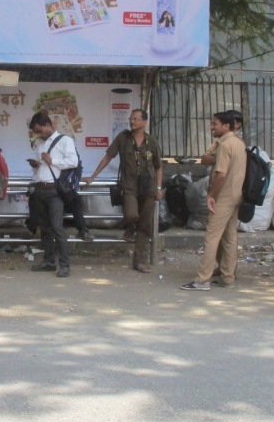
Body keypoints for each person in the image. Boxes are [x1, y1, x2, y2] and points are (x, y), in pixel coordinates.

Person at [84, 109, 163, 273]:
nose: (132, 121)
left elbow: (158, 167)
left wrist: (159, 187)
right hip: (129, 186)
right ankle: (131, 226)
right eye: (131, 118)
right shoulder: (123, 138)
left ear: (145, 122)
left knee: (145, 225)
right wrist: (92, 177)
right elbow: (108, 156)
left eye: (136, 119)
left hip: (148, 188)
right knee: (132, 214)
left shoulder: (152, 141)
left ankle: (140, 261)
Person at [180, 111, 246, 291]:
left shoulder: (225, 145)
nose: (212, 127)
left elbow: (221, 174)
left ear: (226, 126)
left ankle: (202, 280)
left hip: (223, 196)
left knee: (212, 237)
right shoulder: (239, 143)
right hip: (236, 195)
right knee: (230, 237)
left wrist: (211, 195)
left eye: (214, 124)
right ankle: (227, 277)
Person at [27, 112, 79, 278]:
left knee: (57, 228)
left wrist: (52, 161)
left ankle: (64, 265)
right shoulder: (39, 144)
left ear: (48, 125)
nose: (38, 134)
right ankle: (49, 261)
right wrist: (36, 165)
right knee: (45, 228)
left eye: (39, 130)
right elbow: (41, 165)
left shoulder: (65, 141)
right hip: (40, 188)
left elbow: (73, 162)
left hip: (55, 191)